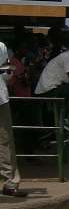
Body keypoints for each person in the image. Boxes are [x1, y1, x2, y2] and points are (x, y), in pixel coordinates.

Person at [0, 41, 26, 197]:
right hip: (0, 99)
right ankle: (10, 182)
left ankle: (10, 182)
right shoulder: (2, 47)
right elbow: (8, 75)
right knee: (5, 140)